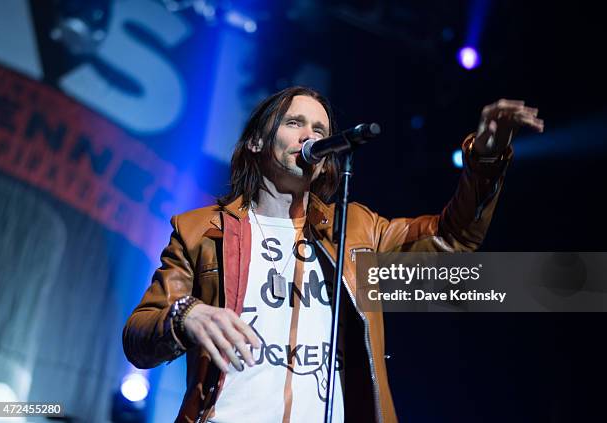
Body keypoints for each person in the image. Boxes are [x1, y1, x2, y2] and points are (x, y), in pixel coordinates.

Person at [123, 86, 543, 423]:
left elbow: (453, 240)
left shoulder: (357, 230)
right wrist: (186, 314)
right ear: (255, 141)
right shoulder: (200, 230)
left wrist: (485, 158)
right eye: (294, 123)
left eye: (320, 130)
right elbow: (138, 338)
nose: (311, 136)